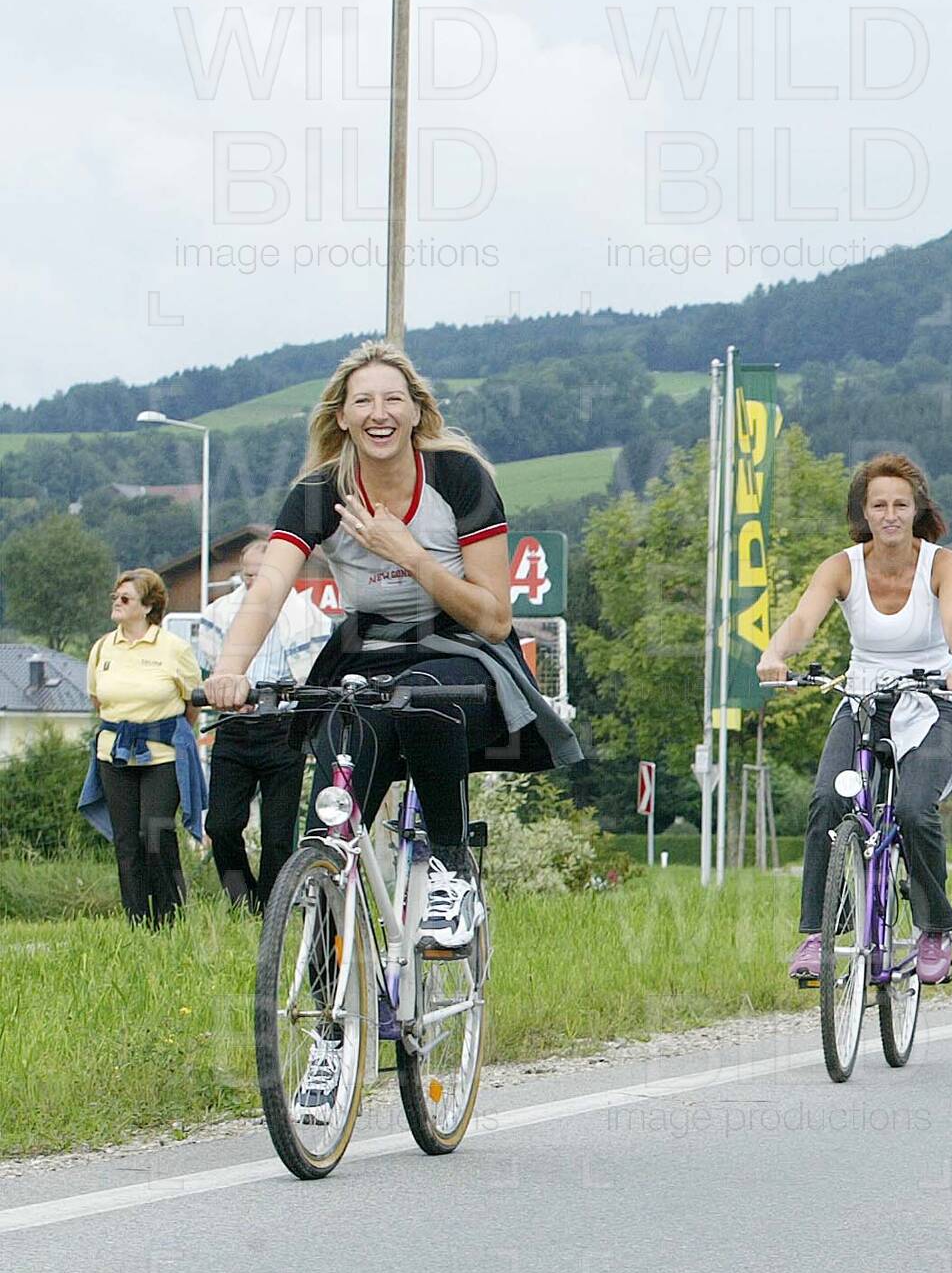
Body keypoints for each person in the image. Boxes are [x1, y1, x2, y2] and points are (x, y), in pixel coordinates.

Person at [203, 341, 581, 977]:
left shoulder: (458, 478)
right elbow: (267, 590)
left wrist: (407, 553)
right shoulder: (319, 493)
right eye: (363, 402)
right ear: (342, 417)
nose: (378, 413)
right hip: (369, 649)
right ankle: (328, 1004)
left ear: (415, 412)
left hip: (460, 647)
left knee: (424, 698)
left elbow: (494, 618)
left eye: (392, 400)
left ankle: (451, 872)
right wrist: (229, 669)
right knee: (331, 824)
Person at [759, 452, 952, 987]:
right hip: (863, 700)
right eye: (879, 505)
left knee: (914, 809)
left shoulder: (943, 564)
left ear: (916, 509)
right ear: (863, 512)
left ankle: (934, 928)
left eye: (901, 504)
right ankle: (819, 935)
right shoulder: (842, 567)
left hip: (931, 702)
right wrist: (775, 653)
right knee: (827, 800)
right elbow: (803, 619)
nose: (890, 515)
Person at [192, 539, 332, 909]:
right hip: (235, 725)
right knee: (220, 825)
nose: (255, 582)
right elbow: (208, 667)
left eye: (264, 575)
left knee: (277, 833)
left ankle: (273, 907)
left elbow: (313, 674)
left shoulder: (308, 618)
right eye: (249, 575)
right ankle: (242, 899)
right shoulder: (221, 613)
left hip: (283, 728)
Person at [79, 569, 205, 926]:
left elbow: (192, 704)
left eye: (125, 599)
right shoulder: (102, 648)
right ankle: (136, 919)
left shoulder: (174, 649)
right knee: (126, 841)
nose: (116, 603)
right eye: (115, 597)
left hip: (163, 755)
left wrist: (156, 730)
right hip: (114, 754)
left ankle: (169, 917)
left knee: (155, 833)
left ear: (148, 606)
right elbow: (98, 700)